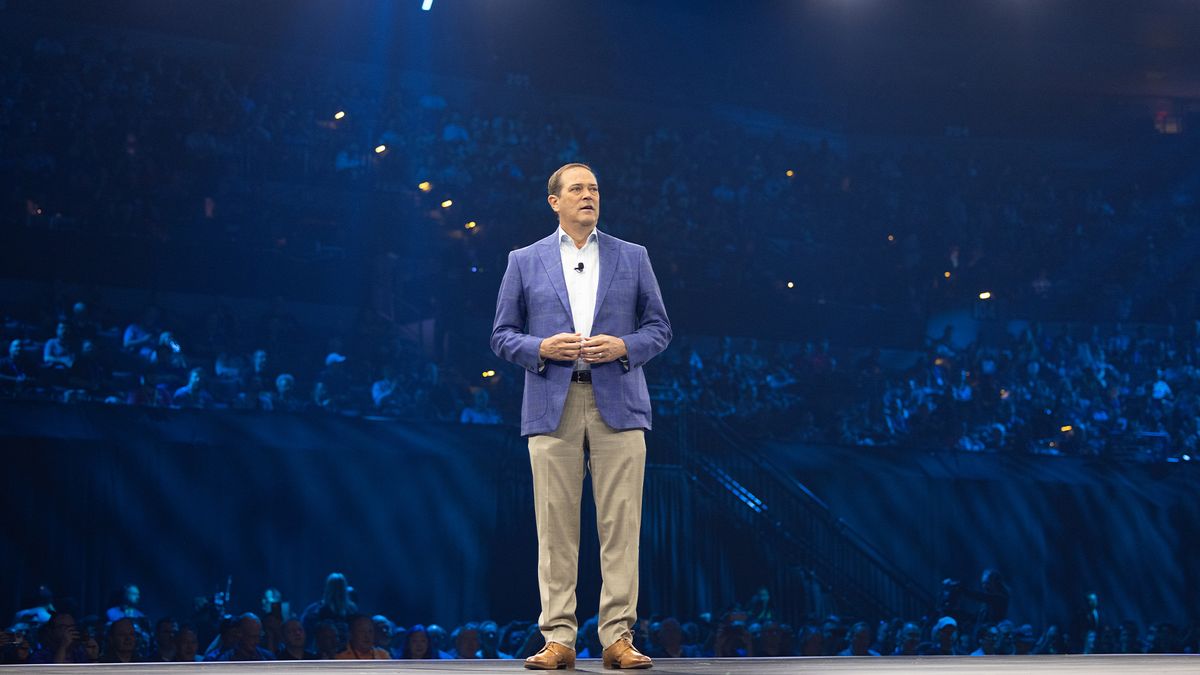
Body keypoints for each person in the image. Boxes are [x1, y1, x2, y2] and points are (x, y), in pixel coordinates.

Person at [491, 163, 671, 670]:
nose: (588, 195)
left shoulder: (632, 257)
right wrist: (540, 346)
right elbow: (502, 334)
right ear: (555, 201)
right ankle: (559, 640)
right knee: (555, 529)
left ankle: (618, 638)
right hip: (552, 402)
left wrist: (624, 345)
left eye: (594, 188)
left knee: (621, 527)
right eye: (577, 189)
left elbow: (659, 328)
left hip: (619, 401)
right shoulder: (524, 260)